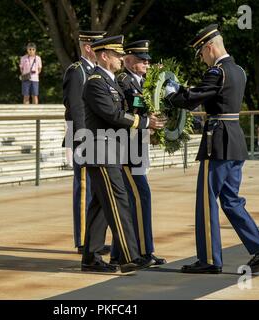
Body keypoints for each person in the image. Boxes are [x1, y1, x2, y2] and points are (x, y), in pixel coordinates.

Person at [164, 24, 259, 274]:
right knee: (232, 201)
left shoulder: (218, 71)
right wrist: (183, 89)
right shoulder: (239, 71)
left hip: (218, 143)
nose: (202, 59)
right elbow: (207, 95)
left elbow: (193, 99)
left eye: (201, 53)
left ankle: (209, 260)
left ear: (209, 47)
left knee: (206, 201)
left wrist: (171, 95)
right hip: (235, 141)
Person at [80, 35, 165, 273]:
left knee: (100, 206)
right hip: (102, 151)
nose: (120, 59)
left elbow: (123, 110)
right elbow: (112, 115)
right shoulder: (96, 82)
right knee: (119, 202)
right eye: (117, 55)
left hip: (110, 150)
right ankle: (129, 257)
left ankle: (91, 258)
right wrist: (146, 122)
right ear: (104, 56)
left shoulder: (111, 82)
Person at [112, 40, 166, 266]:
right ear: (129, 60)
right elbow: (129, 110)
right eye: (142, 60)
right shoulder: (123, 81)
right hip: (127, 149)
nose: (147, 63)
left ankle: (123, 253)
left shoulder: (143, 82)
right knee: (140, 197)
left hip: (137, 147)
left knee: (133, 200)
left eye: (148, 60)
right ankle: (143, 251)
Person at [62, 30, 110, 255]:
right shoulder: (77, 71)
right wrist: (83, 138)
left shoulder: (94, 72)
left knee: (96, 190)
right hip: (83, 138)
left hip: (96, 138)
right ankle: (83, 240)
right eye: (99, 47)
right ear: (89, 48)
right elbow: (75, 107)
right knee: (84, 189)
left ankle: (92, 240)